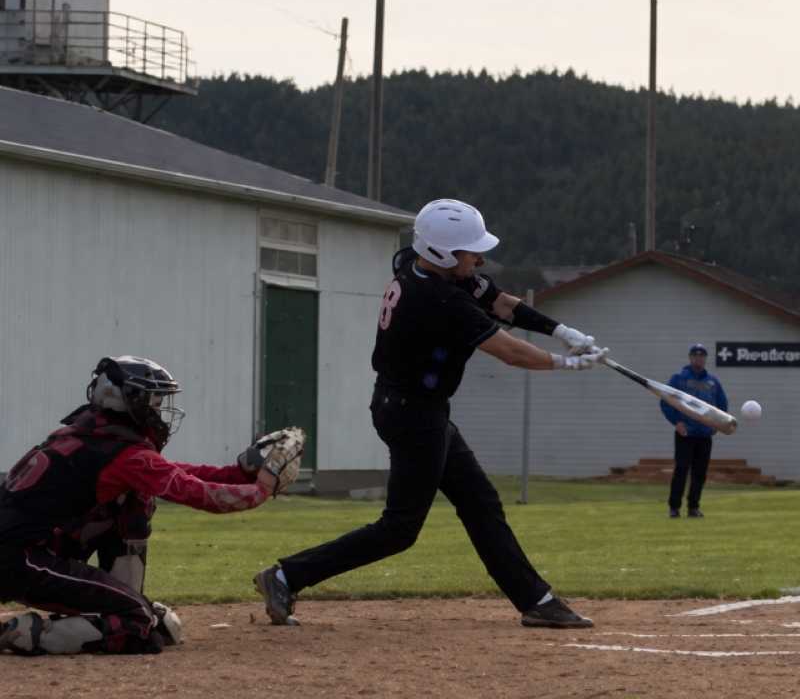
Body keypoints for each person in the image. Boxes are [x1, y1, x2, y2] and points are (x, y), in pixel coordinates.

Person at [254, 198, 607, 629]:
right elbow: (510, 352)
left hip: (417, 408)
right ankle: (286, 575)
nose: (479, 258)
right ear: (441, 252)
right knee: (400, 529)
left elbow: (502, 303)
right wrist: (567, 363)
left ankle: (537, 600)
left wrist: (562, 331)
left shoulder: (422, 267)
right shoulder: (436, 299)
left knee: (479, 501)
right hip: (412, 414)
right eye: (470, 251)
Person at [0, 355, 282, 656]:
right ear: (126, 400)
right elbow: (198, 493)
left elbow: (173, 472)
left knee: (134, 503)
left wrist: (239, 473)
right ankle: (26, 634)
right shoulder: (122, 452)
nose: (158, 411)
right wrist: (262, 489)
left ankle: (120, 601)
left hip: (28, 552)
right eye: (153, 401)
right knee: (138, 622)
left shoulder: (89, 434)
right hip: (20, 560)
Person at [662, 344, 729, 519]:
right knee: (681, 470)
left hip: (704, 435)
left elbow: (722, 406)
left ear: (705, 359)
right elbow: (666, 401)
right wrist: (676, 422)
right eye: (695, 355)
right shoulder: (679, 379)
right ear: (690, 357)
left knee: (700, 472)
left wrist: (718, 424)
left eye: (702, 356)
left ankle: (693, 507)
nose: (698, 358)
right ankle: (674, 508)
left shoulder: (712, 382)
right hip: (685, 433)